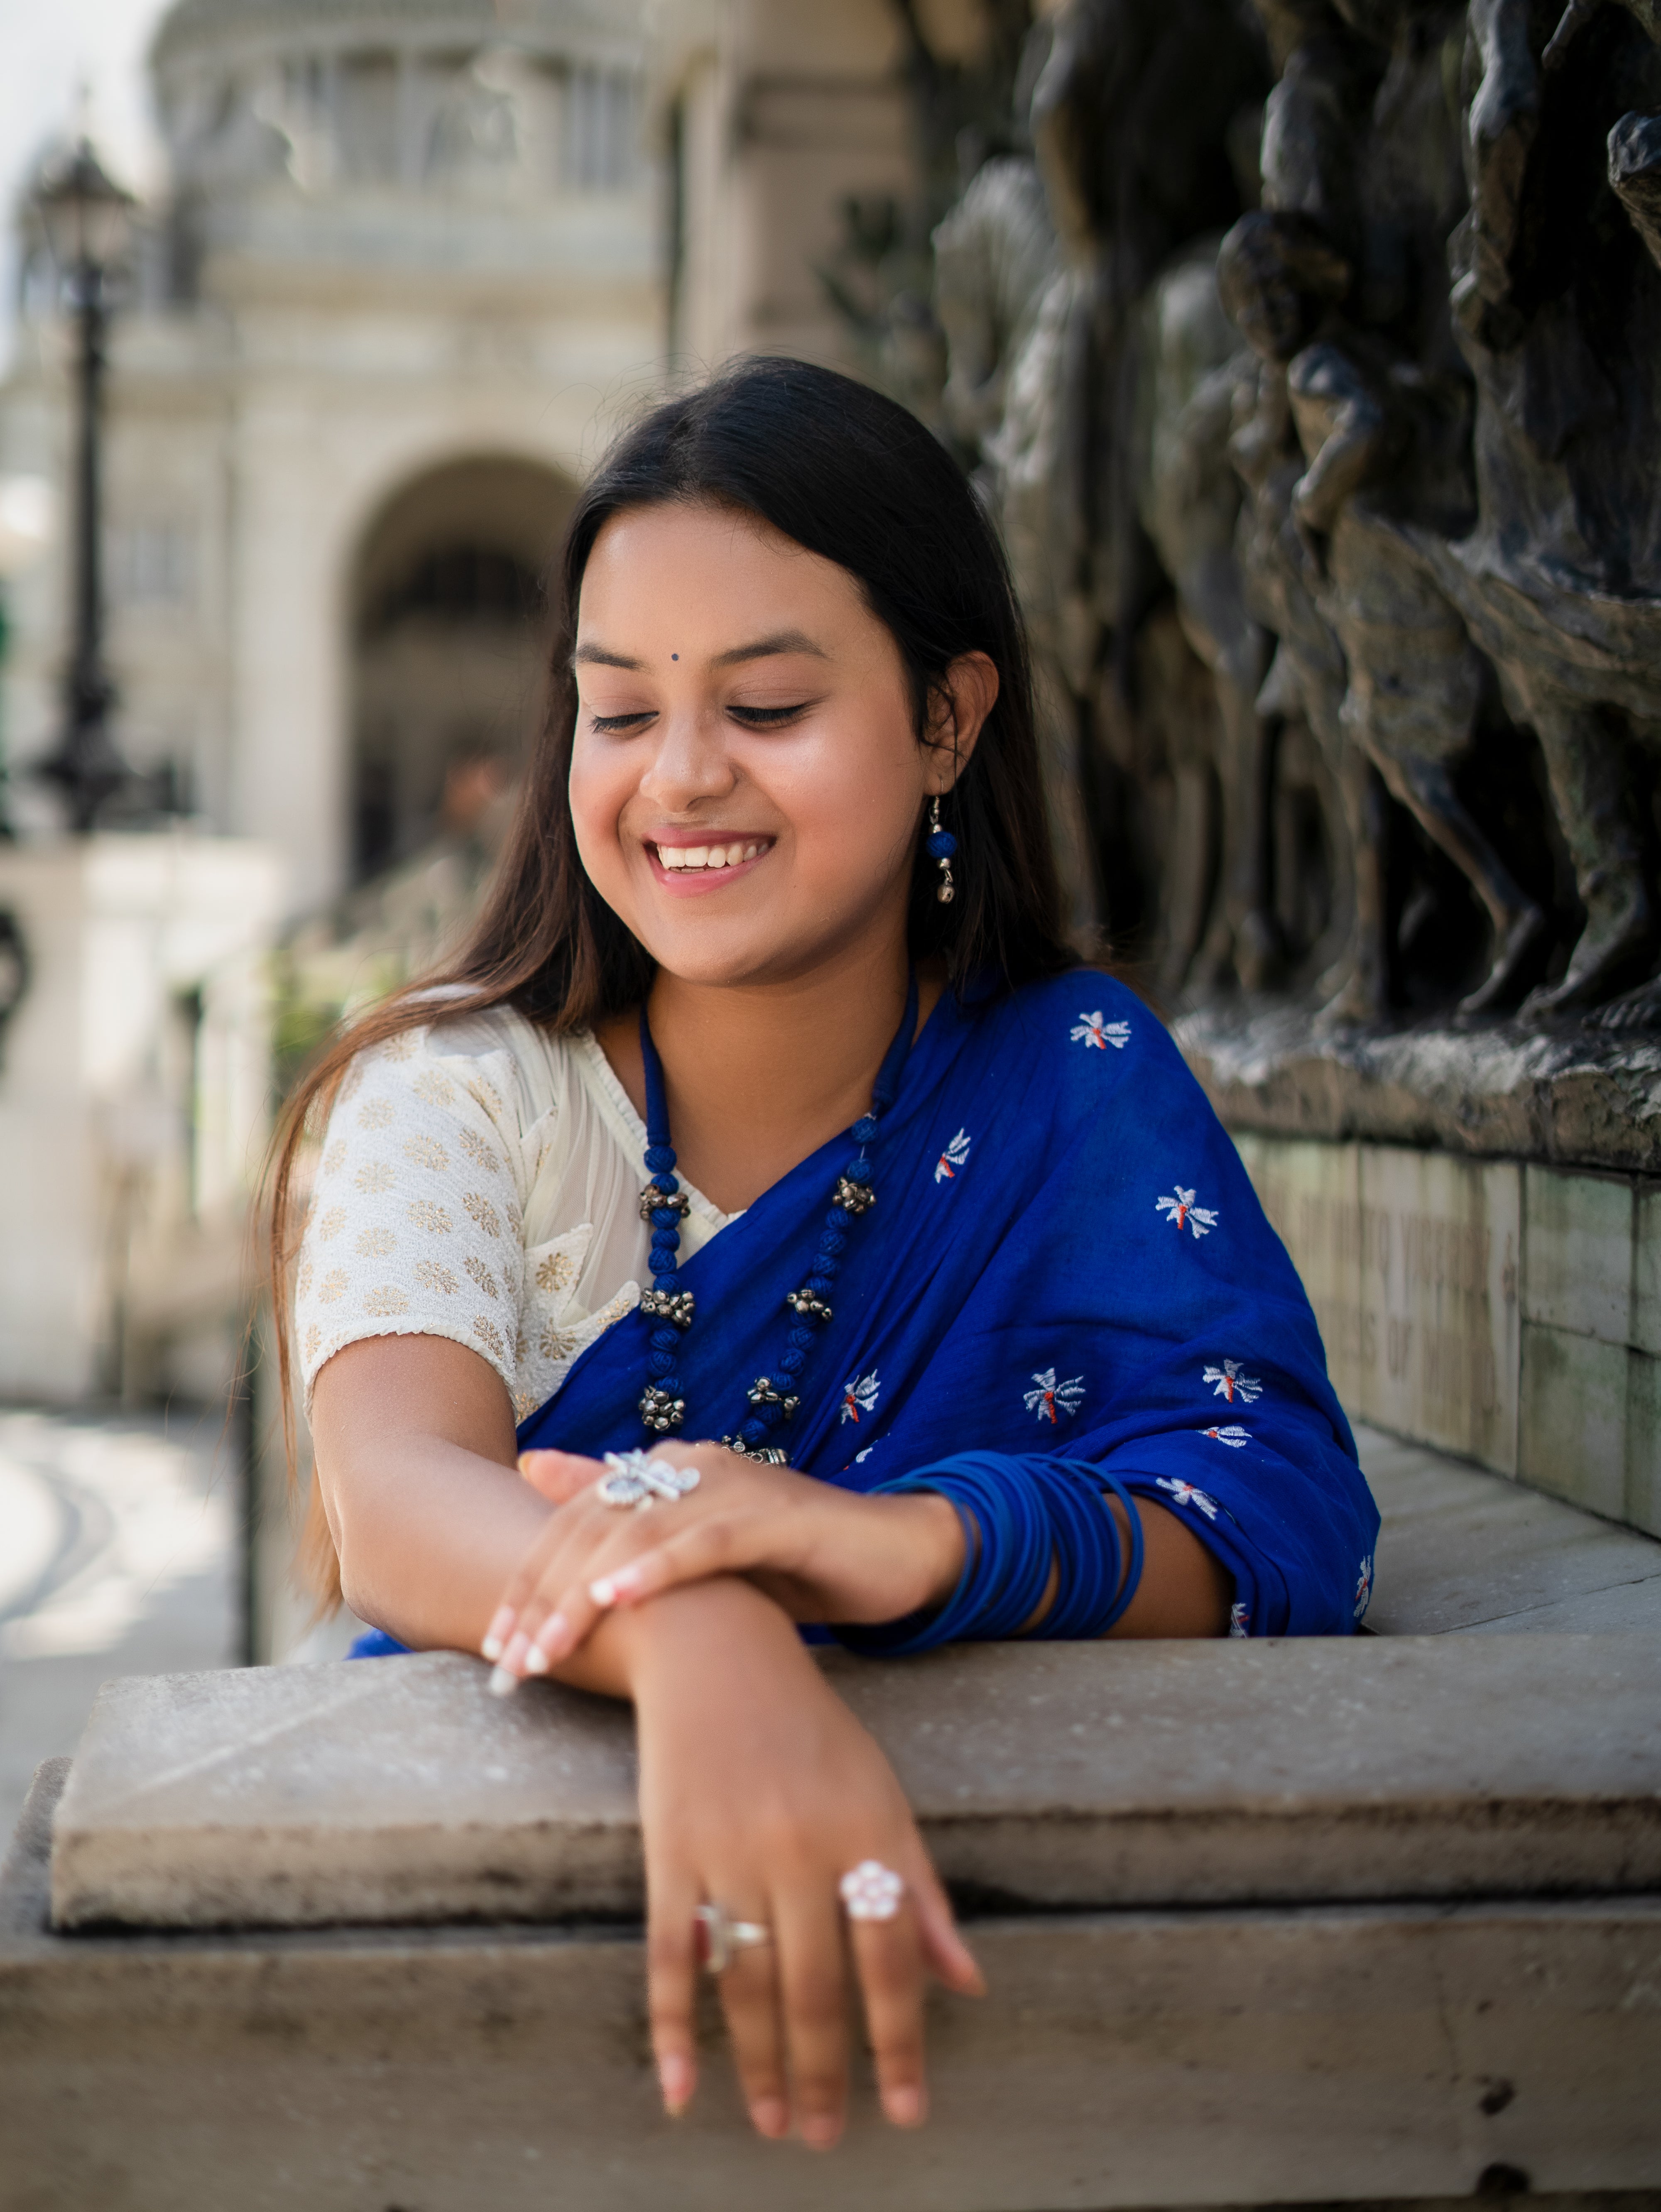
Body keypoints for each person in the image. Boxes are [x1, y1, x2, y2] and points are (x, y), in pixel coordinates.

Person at [270, 357, 1378, 2154]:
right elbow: (397, 1497)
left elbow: (1269, 1521)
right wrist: (700, 1628)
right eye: (617, 713)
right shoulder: (453, 1100)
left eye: (767, 704)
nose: (679, 778)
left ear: (948, 721)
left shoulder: (1074, 1086)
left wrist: (895, 1541)